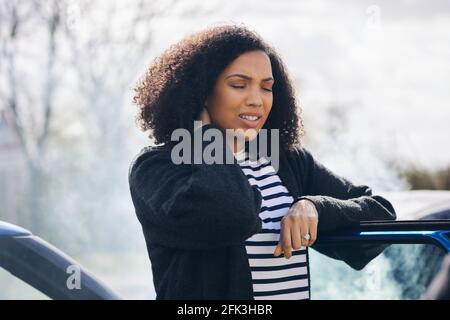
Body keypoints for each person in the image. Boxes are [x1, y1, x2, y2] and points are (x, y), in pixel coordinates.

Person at [128, 24, 396, 300]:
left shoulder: (286, 160)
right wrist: (208, 137)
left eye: (267, 88)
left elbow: (381, 216)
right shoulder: (157, 167)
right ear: (202, 91)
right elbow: (233, 216)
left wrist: (314, 207)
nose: (257, 100)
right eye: (238, 85)